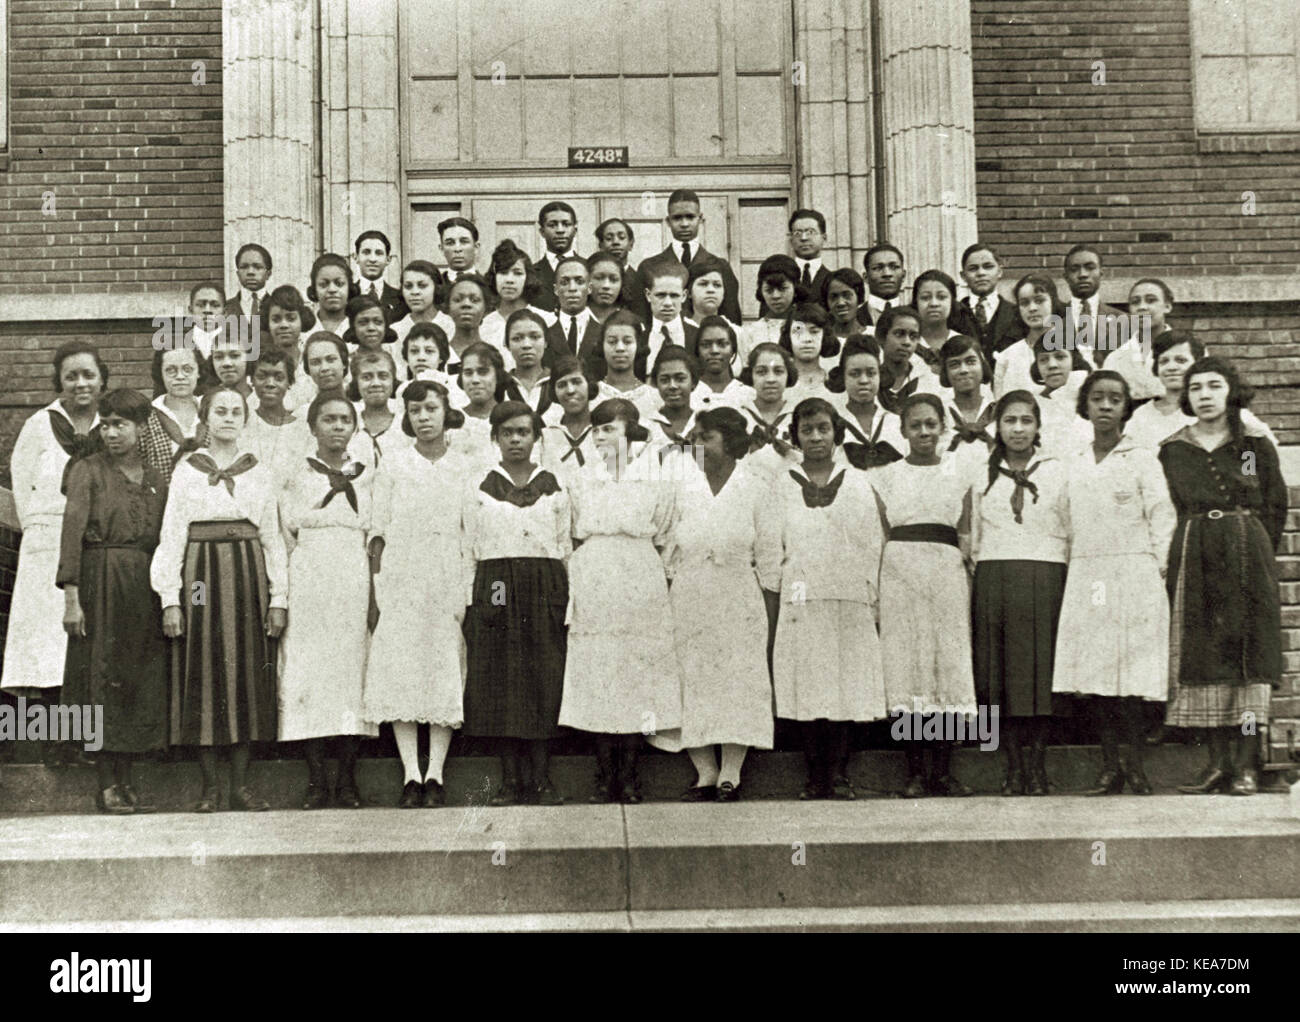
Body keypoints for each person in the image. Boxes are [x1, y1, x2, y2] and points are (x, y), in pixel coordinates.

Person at [152, 386, 287, 812]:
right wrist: (170, 599)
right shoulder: (187, 471)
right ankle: (210, 788)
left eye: (236, 411)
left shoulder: (259, 471)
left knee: (246, 672)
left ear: (245, 419)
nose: (228, 418)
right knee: (205, 671)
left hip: (248, 577)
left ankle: (241, 787)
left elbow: (272, 538)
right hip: (200, 580)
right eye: (219, 411)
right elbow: (171, 534)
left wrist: (278, 597)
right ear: (205, 419)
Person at [1160, 357, 1288, 797]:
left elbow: (1269, 503)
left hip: (1245, 551)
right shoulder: (1174, 449)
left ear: (1231, 390)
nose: (1205, 395)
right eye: (1195, 388)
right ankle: (1217, 765)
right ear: (1186, 397)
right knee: (1205, 655)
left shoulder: (1251, 445)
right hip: (1196, 552)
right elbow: (1170, 508)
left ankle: (1247, 766)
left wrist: (1254, 547)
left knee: (1250, 661)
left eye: (1214, 385)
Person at [756, 397, 887, 799]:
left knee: (845, 687)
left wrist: (868, 594)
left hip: (847, 598)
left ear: (837, 434)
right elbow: (768, 546)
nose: (816, 437)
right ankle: (815, 776)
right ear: (795, 435)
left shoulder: (859, 484)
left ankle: (841, 774)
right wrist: (776, 594)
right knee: (809, 687)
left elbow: (871, 544)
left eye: (823, 429)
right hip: (802, 598)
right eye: (807, 430)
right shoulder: (780, 485)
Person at [1052, 371, 1175, 796]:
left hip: (1135, 571)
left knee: (1134, 672)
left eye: (1115, 399)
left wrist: (1157, 568)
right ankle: (1109, 767)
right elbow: (1064, 520)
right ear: (1085, 405)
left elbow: (1162, 515)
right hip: (1091, 573)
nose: (1105, 406)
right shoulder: (1074, 461)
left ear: (1126, 407)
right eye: (1097, 399)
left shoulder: (1141, 457)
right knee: (1101, 670)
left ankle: (1135, 766)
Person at [559, 399, 679, 803]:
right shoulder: (578, 477)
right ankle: (603, 773)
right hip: (595, 572)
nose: (600, 436)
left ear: (631, 432)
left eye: (609, 429)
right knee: (599, 671)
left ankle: (629, 774)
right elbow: (570, 532)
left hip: (640, 571)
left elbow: (665, 530)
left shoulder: (656, 477)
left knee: (637, 672)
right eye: (596, 430)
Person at [58, 388, 169, 814]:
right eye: (105, 425)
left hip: (142, 589)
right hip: (99, 583)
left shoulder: (157, 479)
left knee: (136, 682)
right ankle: (106, 784)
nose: (111, 433)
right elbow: (72, 533)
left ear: (142, 428)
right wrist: (72, 597)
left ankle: (127, 780)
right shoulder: (88, 470)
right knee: (101, 679)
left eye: (120, 424)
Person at [364, 381, 469, 808]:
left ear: (446, 411)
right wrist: (380, 588)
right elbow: (378, 531)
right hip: (403, 574)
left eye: (431, 408)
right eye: (415, 410)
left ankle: (436, 774)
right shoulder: (393, 464)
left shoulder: (464, 465)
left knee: (441, 665)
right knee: (403, 669)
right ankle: (411, 774)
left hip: (446, 573)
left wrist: (468, 588)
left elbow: (470, 531)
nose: (423, 416)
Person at [661, 406, 774, 801]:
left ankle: (731, 771)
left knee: (738, 676)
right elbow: (667, 538)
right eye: (694, 438)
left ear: (729, 441)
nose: (697, 445)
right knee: (693, 674)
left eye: (706, 437)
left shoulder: (755, 485)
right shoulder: (680, 483)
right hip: (690, 590)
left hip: (739, 591)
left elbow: (769, 548)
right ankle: (704, 771)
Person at [462, 401, 572, 805]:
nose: (515, 440)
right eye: (507, 433)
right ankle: (510, 781)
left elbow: (564, 545)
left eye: (523, 432)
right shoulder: (479, 485)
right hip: (497, 583)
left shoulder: (554, 484)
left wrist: (564, 596)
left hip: (544, 582)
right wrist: (477, 601)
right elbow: (469, 544)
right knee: (503, 680)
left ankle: (541, 780)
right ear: (495, 438)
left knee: (542, 677)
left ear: (536, 437)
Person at [872, 392, 976, 798]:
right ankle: (915, 771)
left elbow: (967, 534)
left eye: (931, 424)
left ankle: (944, 771)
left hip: (946, 572)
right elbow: (880, 535)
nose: (924, 432)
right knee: (908, 664)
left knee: (947, 661)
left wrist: (959, 571)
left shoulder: (960, 472)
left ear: (943, 427)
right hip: (900, 571)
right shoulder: (884, 476)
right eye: (915, 425)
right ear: (902, 431)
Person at [278, 390, 378, 808]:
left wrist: (374, 589)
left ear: (355, 429)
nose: (337, 427)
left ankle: (348, 780)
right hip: (310, 574)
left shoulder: (369, 474)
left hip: (352, 574)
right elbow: (285, 532)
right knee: (309, 673)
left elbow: (375, 532)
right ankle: (317, 780)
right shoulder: (295, 474)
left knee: (350, 673)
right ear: (313, 426)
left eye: (344, 420)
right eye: (328, 420)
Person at [971, 390, 1068, 796]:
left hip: (1044, 574)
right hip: (996, 574)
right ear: (998, 426)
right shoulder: (981, 473)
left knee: (1039, 675)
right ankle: (1012, 767)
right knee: (1000, 677)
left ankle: (1039, 766)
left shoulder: (1058, 472)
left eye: (1026, 420)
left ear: (1038, 426)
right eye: (1010, 420)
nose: (1018, 429)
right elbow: (973, 536)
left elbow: (1069, 526)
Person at [3, 342, 106, 709]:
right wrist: (40, 527)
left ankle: (85, 732)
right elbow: (22, 479)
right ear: (59, 382)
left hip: (94, 543)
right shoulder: (40, 425)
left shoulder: (108, 426)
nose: (81, 383)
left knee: (86, 636)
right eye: (71, 376)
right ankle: (49, 730)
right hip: (46, 545)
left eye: (88, 375)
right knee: (45, 638)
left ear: (101, 379)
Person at [1125, 331, 1277, 450]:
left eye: (1181, 360)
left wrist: (1246, 472)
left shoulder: (1222, 409)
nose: (1171, 367)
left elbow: (1259, 450)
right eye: (1164, 361)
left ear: (1198, 364)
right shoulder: (1142, 416)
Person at [634, 189, 742, 324]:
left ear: (700, 219)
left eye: (690, 217)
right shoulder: (649, 267)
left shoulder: (720, 266)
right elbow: (640, 320)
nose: (684, 224)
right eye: (677, 218)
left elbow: (731, 319)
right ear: (668, 221)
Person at [239, 346, 315, 488]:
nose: (270, 384)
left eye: (279, 378)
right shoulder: (242, 424)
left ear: (290, 383)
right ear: (252, 381)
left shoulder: (303, 430)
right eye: (262, 377)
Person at [827, 334, 905, 471]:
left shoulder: (897, 423)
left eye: (871, 373)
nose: (864, 380)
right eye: (855, 374)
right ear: (843, 377)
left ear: (880, 375)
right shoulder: (830, 426)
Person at [994, 272, 1068, 399]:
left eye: (1039, 300)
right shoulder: (1007, 357)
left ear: (1053, 301)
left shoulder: (1073, 347)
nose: (1032, 308)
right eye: (1024, 303)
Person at [482, 239, 556, 362]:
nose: (509, 280)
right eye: (503, 273)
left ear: (528, 278)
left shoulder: (548, 320)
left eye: (517, 273)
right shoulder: (485, 324)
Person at [138, 345, 204, 478]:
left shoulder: (211, 412)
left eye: (187, 369)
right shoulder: (146, 417)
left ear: (198, 372)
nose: (180, 376)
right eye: (170, 370)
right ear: (160, 374)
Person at [739, 342, 802, 482]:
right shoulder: (738, 415)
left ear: (788, 374)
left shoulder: (800, 416)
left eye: (778, 371)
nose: (770, 379)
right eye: (761, 372)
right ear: (751, 375)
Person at [958, 243, 1024, 365]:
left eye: (988, 267)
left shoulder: (1018, 313)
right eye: (973, 268)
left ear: (999, 271)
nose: (981, 273)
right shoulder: (953, 314)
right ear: (963, 276)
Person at [1062, 244, 1126, 369]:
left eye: (1090, 268)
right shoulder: (1054, 318)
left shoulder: (1122, 320)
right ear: (1066, 277)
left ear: (1101, 273)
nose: (1082, 274)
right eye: (1074, 269)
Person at [259, 284, 318, 412]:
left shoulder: (314, 358)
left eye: (291, 318)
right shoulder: (259, 363)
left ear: (302, 320)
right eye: (276, 319)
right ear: (268, 323)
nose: (284, 325)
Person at [539, 355, 598, 482]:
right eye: (561, 385)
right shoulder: (545, 436)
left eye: (577, 382)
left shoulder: (607, 430)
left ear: (589, 384)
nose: (570, 390)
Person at [590, 309, 658, 420]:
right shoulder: (591, 396)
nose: (620, 348)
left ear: (638, 345)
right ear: (602, 345)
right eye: (612, 342)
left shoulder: (654, 397)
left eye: (627, 342)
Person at [937, 333, 996, 459]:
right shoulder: (940, 414)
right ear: (945, 372)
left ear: (982, 365)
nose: (963, 370)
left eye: (971, 362)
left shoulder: (997, 411)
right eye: (954, 364)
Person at [390, 259, 453, 375]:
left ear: (436, 288)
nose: (415, 292)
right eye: (408, 286)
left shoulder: (451, 326)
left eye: (422, 286)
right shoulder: (395, 332)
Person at [875, 305, 941, 414]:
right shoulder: (870, 380)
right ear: (882, 336)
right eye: (899, 334)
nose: (907, 342)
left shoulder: (929, 381)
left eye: (913, 336)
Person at [453, 341, 508, 469]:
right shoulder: (452, 421)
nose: (475, 380)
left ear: (498, 376)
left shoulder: (514, 418)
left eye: (483, 372)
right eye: (468, 373)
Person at [349, 348, 407, 465]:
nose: (375, 383)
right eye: (366, 377)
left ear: (393, 380)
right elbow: (347, 472)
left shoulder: (405, 426)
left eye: (383, 376)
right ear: (356, 383)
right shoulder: (349, 426)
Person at [910, 269, 974, 370]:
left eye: (941, 297)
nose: (934, 303)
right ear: (916, 302)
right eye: (925, 298)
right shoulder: (907, 343)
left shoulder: (966, 344)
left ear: (952, 302)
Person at [543, 256, 599, 368]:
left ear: (589, 288)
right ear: (556, 289)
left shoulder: (603, 333)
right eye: (564, 282)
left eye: (579, 281)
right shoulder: (544, 335)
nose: (572, 288)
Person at [742, 254, 800, 362]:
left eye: (782, 289)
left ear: (795, 288)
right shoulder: (751, 332)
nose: (775, 296)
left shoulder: (805, 326)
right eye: (769, 290)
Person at [641, 261, 698, 370]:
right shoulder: (638, 337)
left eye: (674, 295)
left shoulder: (697, 336)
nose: (667, 303)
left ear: (684, 296)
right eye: (660, 295)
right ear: (648, 295)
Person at [779, 301, 838, 398]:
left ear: (824, 336)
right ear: (788, 337)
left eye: (814, 332)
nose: (806, 339)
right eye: (798, 332)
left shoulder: (833, 381)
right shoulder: (780, 381)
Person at [531, 201, 582, 313]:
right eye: (552, 225)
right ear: (542, 231)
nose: (560, 230)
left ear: (575, 230)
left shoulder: (588, 268)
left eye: (566, 224)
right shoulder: (530, 273)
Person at [692, 315, 752, 408]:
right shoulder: (689, 395)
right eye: (706, 345)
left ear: (733, 350)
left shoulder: (749, 396)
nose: (714, 350)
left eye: (722, 344)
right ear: (697, 351)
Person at [504, 308, 553, 414]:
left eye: (535, 337)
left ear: (546, 342)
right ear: (507, 345)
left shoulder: (558, 382)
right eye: (517, 339)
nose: (526, 345)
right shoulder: (500, 387)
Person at [353, 229, 408, 322]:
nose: (372, 259)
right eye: (366, 252)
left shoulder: (401, 299)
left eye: (379, 253)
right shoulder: (347, 296)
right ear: (356, 257)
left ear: (388, 259)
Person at [443, 274, 492, 374]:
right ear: (448, 307)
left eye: (474, 300)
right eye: (457, 300)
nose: (466, 304)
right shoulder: (440, 354)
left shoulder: (493, 355)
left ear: (486, 309)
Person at [594, 217, 642, 309]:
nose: (615, 242)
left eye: (621, 237)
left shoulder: (640, 281)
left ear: (631, 244)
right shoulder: (591, 280)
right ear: (600, 246)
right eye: (609, 238)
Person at [307, 253, 357, 338]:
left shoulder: (359, 325)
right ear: (314, 288)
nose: (332, 289)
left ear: (349, 287)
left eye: (339, 284)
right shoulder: (306, 327)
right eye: (323, 284)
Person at [859, 242, 906, 325]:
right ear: (865, 277)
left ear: (903, 275)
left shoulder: (916, 317)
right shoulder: (853, 318)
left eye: (894, 267)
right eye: (877, 268)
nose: (887, 274)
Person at [788, 209, 831, 295]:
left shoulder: (832, 280)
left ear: (824, 238)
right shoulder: (782, 277)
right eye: (797, 233)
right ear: (791, 240)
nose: (804, 238)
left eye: (810, 232)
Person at [225, 242, 272, 318]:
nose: (250, 272)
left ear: (268, 274)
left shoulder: (278, 307)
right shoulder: (225, 309)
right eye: (244, 267)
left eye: (257, 267)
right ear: (238, 274)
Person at [821, 268, 866, 344]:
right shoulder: (822, 340)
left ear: (859, 297)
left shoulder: (873, 335)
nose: (841, 303)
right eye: (834, 297)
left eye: (847, 295)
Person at [437, 216, 481, 283]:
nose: (457, 249)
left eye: (464, 241)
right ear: (442, 249)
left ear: (476, 247)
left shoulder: (489, 287)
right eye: (450, 243)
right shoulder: (435, 287)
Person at [586, 251, 626, 326]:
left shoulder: (632, 321)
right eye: (599, 278)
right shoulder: (574, 320)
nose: (606, 286)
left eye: (613, 280)